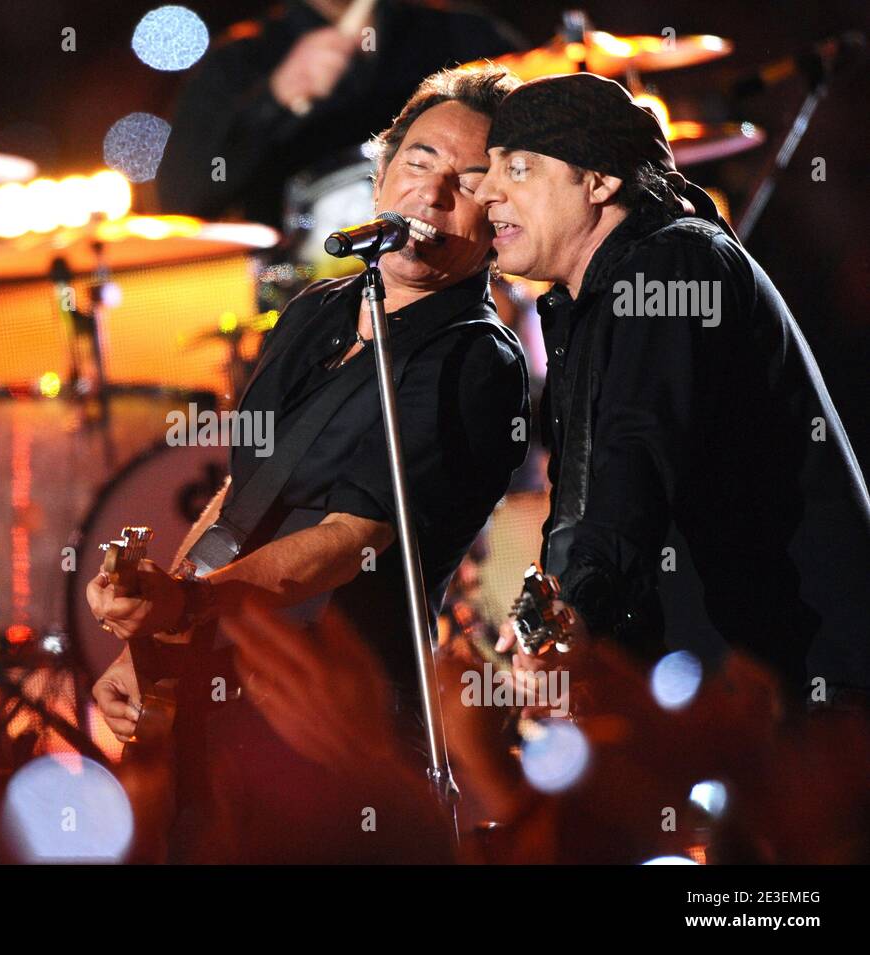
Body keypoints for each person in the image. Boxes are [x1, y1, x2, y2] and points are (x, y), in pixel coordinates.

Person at [88, 65, 528, 861]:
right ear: (380, 179)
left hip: (332, 721)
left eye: (465, 182)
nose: (430, 196)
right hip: (220, 699)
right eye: (419, 163)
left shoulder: (476, 362)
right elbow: (235, 502)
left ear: (499, 216)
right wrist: (147, 648)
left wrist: (186, 606)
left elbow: (346, 539)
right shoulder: (313, 313)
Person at [471, 73, 870, 708]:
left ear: (598, 180)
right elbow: (584, 496)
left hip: (802, 687)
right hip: (731, 682)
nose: (486, 191)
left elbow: (636, 449)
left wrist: (572, 616)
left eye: (516, 169)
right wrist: (548, 621)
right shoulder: (589, 300)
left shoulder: (673, 262)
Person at [154, 0, 522, 226]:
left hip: (461, 269)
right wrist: (273, 100)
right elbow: (183, 197)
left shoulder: (462, 34)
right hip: (304, 295)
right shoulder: (238, 63)